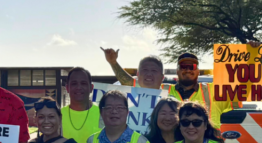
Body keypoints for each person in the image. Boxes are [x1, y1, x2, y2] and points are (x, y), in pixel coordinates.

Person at [101, 49, 238, 127]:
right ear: (177, 71)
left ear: (198, 71)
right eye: (183, 67)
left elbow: (243, 88)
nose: (188, 70)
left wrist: (253, 55)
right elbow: (130, 83)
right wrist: (113, 62)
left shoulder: (213, 90)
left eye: (192, 67)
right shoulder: (163, 90)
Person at [61, 67, 100, 143]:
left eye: (83, 83)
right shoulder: (58, 115)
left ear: (91, 88)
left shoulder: (103, 115)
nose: (79, 87)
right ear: (67, 88)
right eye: (74, 83)